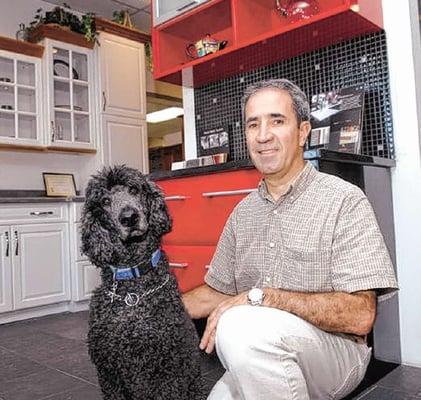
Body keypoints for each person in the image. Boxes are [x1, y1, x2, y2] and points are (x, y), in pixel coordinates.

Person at [182, 79, 398, 400]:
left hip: (335, 352)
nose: (263, 135)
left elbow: (360, 316)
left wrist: (263, 297)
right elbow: (217, 291)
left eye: (277, 121)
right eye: (253, 124)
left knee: (239, 325)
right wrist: (154, 310)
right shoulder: (242, 214)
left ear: (302, 132)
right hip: (260, 348)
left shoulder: (343, 200)